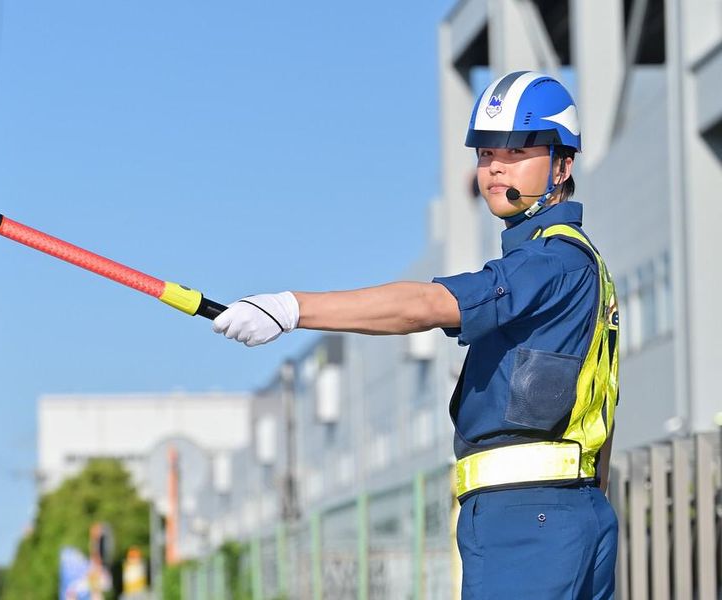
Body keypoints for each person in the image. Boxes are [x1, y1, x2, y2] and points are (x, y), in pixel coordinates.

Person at [212, 70, 619, 599]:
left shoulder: (546, 263)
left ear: (563, 164)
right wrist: (588, 510)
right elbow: (604, 408)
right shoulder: (583, 265)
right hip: (574, 513)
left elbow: (425, 305)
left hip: (525, 523)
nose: (496, 165)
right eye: (486, 152)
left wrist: (292, 308)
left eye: (518, 149)